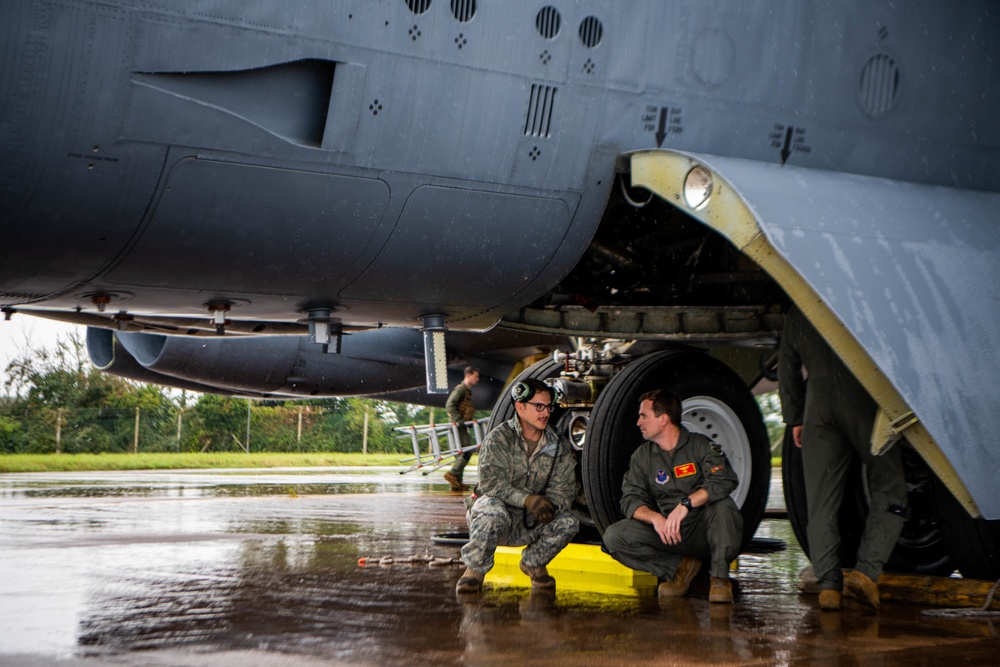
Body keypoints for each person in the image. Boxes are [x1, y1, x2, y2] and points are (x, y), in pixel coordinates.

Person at [778, 305, 908, 611]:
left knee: (820, 501)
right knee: (890, 483)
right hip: (862, 390)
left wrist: (795, 416)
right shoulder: (851, 295)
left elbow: (787, 366)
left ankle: (829, 587)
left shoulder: (798, 308)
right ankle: (866, 571)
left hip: (818, 403)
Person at [603, 389, 743, 604]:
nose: (638, 422)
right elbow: (630, 498)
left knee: (723, 505)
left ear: (664, 419)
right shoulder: (643, 456)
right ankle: (679, 569)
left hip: (703, 530)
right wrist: (655, 518)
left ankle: (719, 578)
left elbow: (724, 480)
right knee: (614, 537)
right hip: (670, 532)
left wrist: (687, 503)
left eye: (644, 416)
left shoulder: (701, 445)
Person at [455, 378, 579, 594]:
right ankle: (474, 571)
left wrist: (550, 506)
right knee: (490, 509)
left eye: (548, 406)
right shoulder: (499, 439)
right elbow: (491, 484)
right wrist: (528, 499)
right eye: (538, 406)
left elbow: (564, 491)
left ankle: (533, 563)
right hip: (496, 519)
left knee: (569, 522)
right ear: (520, 407)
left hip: (530, 521)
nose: (546, 412)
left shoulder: (559, 446)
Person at [443, 366, 480, 492]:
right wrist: (459, 421)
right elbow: (449, 405)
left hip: (461, 426)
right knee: (466, 451)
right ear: (468, 375)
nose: (477, 379)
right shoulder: (460, 390)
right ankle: (452, 474)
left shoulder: (467, 391)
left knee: (461, 453)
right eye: (476, 376)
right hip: (457, 426)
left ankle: (457, 482)